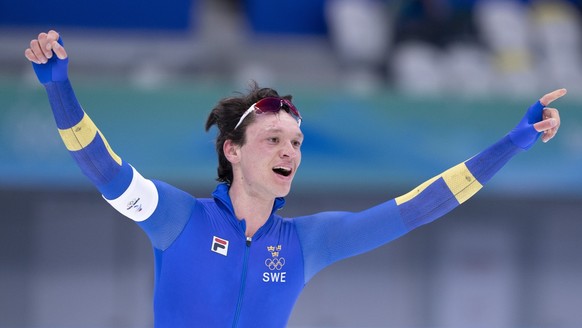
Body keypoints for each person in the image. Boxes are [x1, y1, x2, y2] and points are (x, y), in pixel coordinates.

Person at [24, 30, 566, 327]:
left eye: (297, 143)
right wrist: (57, 88)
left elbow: (423, 205)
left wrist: (513, 143)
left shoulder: (310, 243)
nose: (290, 152)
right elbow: (103, 168)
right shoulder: (177, 219)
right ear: (232, 151)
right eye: (274, 140)